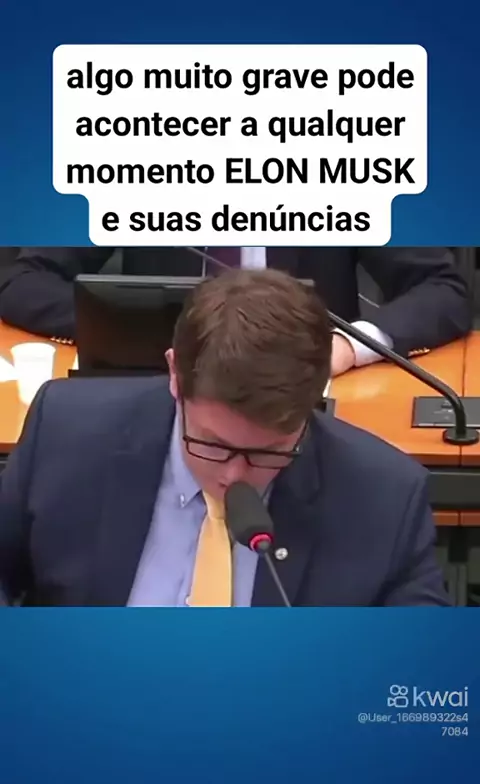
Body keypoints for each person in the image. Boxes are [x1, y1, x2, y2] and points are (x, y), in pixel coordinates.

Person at [0, 268, 450, 607]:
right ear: (175, 375)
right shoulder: (66, 435)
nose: (235, 476)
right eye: (212, 444)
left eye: (268, 452)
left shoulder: (384, 497)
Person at [0, 245, 471, 377]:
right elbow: (22, 282)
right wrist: (125, 330)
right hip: (163, 390)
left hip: (306, 397)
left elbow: (444, 291)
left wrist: (346, 347)